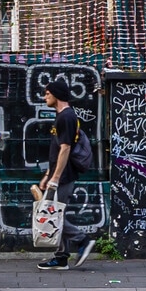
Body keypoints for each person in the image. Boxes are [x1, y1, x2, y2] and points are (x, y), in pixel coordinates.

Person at [34, 79, 96, 270]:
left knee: (53, 216)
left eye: (47, 93)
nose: (45, 97)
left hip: (63, 176)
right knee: (55, 214)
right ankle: (61, 257)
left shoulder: (66, 117)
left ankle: (82, 240)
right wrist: (48, 174)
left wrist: (55, 178)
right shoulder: (62, 116)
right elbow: (56, 151)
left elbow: (65, 148)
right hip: (57, 175)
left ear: (57, 94)